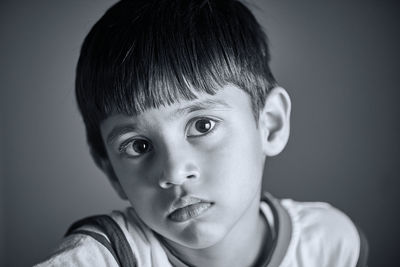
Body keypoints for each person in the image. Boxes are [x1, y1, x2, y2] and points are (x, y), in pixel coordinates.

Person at [35, 0, 368, 266]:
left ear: (270, 123)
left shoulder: (331, 242)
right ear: (111, 171)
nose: (175, 172)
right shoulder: (106, 256)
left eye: (202, 125)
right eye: (138, 145)